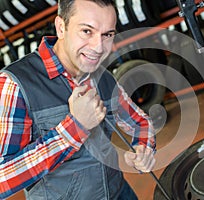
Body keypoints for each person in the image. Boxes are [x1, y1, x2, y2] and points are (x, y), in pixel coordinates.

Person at [0, 0, 156, 199]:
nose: (99, 47)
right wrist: (75, 127)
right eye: (87, 31)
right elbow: (3, 178)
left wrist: (144, 147)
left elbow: (140, 121)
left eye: (107, 34)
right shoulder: (16, 83)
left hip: (119, 193)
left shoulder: (103, 77)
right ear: (61, 27)